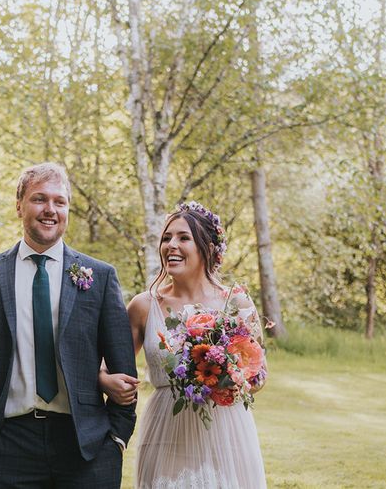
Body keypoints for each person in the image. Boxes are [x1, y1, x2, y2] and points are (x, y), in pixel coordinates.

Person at [0, 162, 137, 488]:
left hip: (87, 444)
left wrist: (118, 437)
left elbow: (124, 366)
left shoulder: (100, 276)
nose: (50, 210)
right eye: (39, 199)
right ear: (19, 205)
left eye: (60, 201)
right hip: (8, 443)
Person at [100, 202, 267, 489]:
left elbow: (260, 374)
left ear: (206, 248)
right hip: (166, 428)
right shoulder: (143, 306)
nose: (171, 245)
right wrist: (104, 380)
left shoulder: (236, 302)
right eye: (166, 238)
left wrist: (233, 380)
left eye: (183, 238)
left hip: (225, 430)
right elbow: (105, 365)